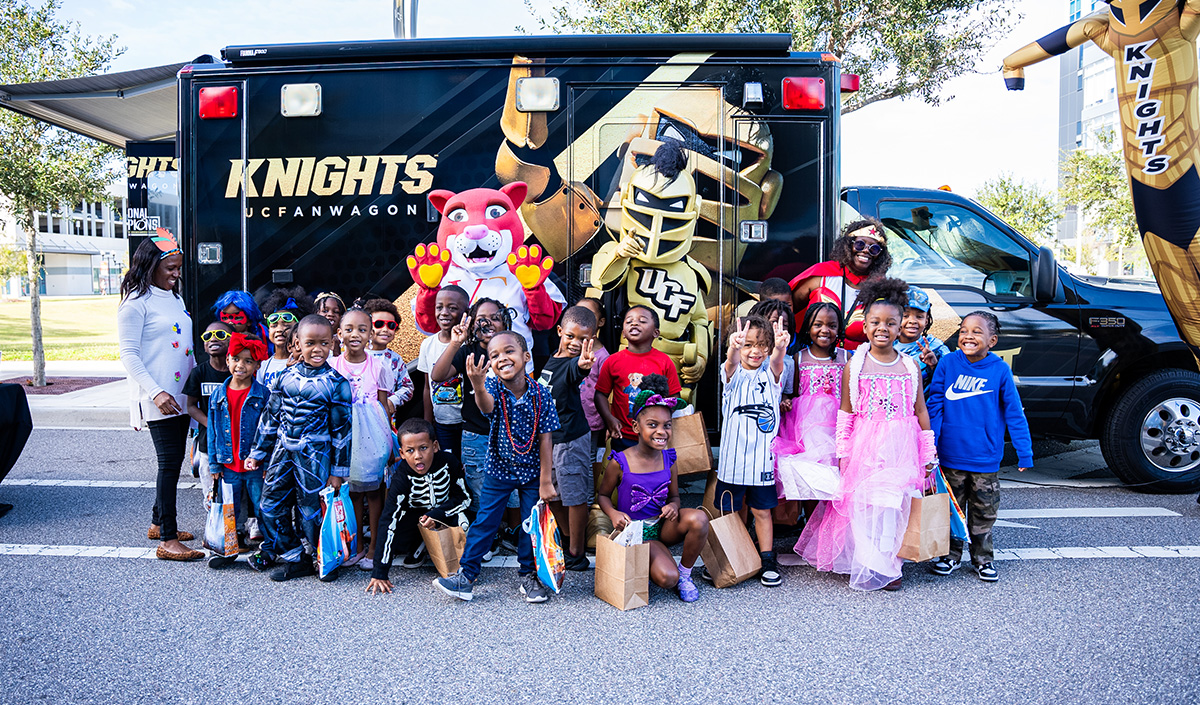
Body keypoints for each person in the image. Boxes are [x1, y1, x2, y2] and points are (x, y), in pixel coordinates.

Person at [794, 277, 937, 592]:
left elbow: (921, 411)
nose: (882, 328)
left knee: (893, 505)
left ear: (901, 327)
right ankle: (872, 560)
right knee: (864, 504)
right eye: (875, 322)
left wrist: (929, 454)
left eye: (891, 322)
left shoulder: (910, 366)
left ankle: (890, 561)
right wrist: (844, 453)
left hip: (902, 445)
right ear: (865, 324)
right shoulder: (855, 365)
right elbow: (846, 412)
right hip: (865, 445)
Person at [433, 331, 560, 603]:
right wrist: (478, 385)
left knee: (529, 525)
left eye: (509, 351)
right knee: (485, 522)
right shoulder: (492, 388)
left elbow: (546, 438)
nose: (502, 358)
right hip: (498, 471)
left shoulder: (542, 395)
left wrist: (546, 480)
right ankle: (465, 577)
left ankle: (529, 576)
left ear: (526, 357)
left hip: (531, 473)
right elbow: (486, 407)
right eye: (494, 355)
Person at [926, 311, 1033, 582]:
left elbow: (1014, 413)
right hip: (950, 455)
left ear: (992, 340)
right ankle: (950, 556)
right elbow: (935, 403)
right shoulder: (948, 363)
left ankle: (983, 559)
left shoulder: (999, 370)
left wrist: (1024, 451)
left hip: (985, 457)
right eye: (963, 330)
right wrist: (932, 443)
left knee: (984, 511)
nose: (968, 336)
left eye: (976, 332)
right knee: (952, 511)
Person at [245, 314, 352, 583]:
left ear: (333, 343)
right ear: (296, 343)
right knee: (269, 505)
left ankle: (324, 559)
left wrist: (338, 471)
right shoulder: (284, 377)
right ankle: (295, 557)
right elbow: (270, 418)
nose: (318, 349)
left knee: (311, 511)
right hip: (283, 449)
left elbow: (343, 431)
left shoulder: (338, 384)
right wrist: (258, 452)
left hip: (315, 454)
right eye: (310, 343)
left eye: (324, 343)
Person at [117, 229, 200, 561]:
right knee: (168, 465)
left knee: (175, 461)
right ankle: (167, 539)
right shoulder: (135, 305)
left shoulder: (174, 297)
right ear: (150, 266)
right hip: (159, 398)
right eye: (171, 269)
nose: (176, 274)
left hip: (180, 395)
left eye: (179, 268)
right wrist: (155, 392)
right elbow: (129, 356)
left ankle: (157, 522)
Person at [597, 376, 711, 602]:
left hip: (663, 526)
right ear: (636, 427)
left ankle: (685, 574)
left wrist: (673, 506)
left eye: (667, 425)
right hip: (636, 532)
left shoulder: (670, 459)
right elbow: (602, 496)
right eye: (653, 425)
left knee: (699, 518)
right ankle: (655, 562)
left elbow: (676, 496)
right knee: (667, 578)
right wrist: (613, 513)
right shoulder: (620, 462)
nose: (662, 431)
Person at [712, 314, 790, 588]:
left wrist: (780, 347)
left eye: (762, 344)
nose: (755, 350)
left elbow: (778, 362)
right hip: (733, 460)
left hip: (761, 461)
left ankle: (766, 559)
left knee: (762, 511)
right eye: (748, 344)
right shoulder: (732, 374)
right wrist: (734, 347)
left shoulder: (771, 375)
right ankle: (730, 557)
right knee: (730, 513)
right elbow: (730, 364)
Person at [365, 419, 471, 595]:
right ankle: (420, 543)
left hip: (445, 513)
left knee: (464, 519)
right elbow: (388, 520)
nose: (417, 456)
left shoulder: (449, 462)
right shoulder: (401, 477)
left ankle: (466, 563)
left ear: (435, 446)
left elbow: (465, 498)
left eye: (423, 448)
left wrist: (437, 515)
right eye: (410, 451)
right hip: (416, 520)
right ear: (402, 453)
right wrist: (379, 572)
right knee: (394, 529)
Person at [431, 298, 511, 523]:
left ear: (505, 321)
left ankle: (514, 533)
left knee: (513, 491)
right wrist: (456, 342)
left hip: (510, 434)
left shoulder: (515, 347)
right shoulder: (468, 351)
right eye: (481, 319)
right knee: (479, 489)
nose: (488, 324)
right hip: (476, 435)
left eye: (495, 318)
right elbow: (438, 375)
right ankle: (487, 536)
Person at [330, 308, 395, 572]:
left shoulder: (379, 365)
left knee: (374, 492)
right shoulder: (333, 365)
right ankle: (355, 545)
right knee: (352, 492)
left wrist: (389, 442)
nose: (355, 334)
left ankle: (374, 547)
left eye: (362, 329)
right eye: (349, 329)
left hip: (372, 435)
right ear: (339, 334)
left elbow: (383, 406)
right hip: (345, 436)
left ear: (370, 334)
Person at [536, 305, 598, 571]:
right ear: (560, 331)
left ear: (592, 339)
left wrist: (583, 365)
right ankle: (567, 539)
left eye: (584, 339)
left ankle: (577, 552)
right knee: (557, 496)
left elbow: (578, 370)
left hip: (571, 440)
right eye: (571, 336)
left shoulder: (576, 363)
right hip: (553, 440)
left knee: (575, 496)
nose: (576, 343)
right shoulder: (552, 359)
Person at [206, 333, 271, 568]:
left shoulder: (263, 394)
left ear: (257, 365)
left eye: (248, 361)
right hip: (228, 463)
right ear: (227, 361)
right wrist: (214, 464)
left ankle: (269, 549)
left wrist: (267, 461)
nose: (240, 365)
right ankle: (228, 549)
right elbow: (213, 431)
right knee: (230, 510)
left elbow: (269, 431)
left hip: (255, 465)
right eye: (236, 359)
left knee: (264, 506)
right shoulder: (218, 394)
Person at [773, 301, 847, 508]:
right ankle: (809, 523)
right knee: (811, 479)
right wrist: (786, 402)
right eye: (818, 324)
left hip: (836, 430)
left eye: (832, 326)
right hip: (806, 431)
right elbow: (793, 392)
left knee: (835, 481)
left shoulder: (847, 358)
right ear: (807, 327)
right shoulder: (798, 358)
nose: (825, 330)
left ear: (839, 329)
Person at [789, 219, 892, 350]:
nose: (866, 251)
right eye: (860, 244)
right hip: (815, 359)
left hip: (859, 363)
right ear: (848, 245)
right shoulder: (822, 275)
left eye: (874, 248)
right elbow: (788, 309)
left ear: (880, 255)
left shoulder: (881, 288)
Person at [594, 305, 682, 452]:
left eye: (642, 321)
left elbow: (675, 396)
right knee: (624, 473)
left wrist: (660, 422)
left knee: (654, 472)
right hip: (623, 435)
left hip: (654, 436)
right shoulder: (612, 361)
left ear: (656, 332)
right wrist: (609, 420)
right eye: (629, 321)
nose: (634, 323)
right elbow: (600, 395)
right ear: (623, 333)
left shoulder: (664, 361)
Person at [183, 321, 232, 513]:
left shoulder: (238, 370)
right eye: (207, 336)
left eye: (220, 335)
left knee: (233, 488)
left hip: (235, 444)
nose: (213, 339)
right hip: (207, 444)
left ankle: (237, 528)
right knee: (211, 491)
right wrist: (211, 425)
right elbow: (190, 406)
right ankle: (215, 527)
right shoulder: (199, 373)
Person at [417, 285, 470, 457]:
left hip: (468, 423)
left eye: (452, 308)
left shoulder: (469, 345)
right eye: (439, 307)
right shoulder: (428, 344)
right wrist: (428, 423)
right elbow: (427, 387)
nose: (444, 312)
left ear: (465, 313)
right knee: (449, 463)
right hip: (442, 423)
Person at [361, 297, 415, 418]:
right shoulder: (355, 356)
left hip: (385, 420)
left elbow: (408, 387)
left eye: (391, 325)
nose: (385, 329)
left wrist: (392, 401)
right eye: (379, 324)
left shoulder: (395, 360)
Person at [575, 296, 611, 460]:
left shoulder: (603, 357)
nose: (582, 318)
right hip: (571, 416)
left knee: (588, 457)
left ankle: (589, 487)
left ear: (601, 322)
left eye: (588, 314)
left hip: (592, 419)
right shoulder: (571, 349)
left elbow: (609, 391)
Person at [256, 287, 314, 387]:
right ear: (269, 330)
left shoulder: (307, 362)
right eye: (274, 325)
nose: (279, 329)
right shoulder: (263, 366)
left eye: (286, 325)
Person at [894, 285, 951, 388]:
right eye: (905, 316)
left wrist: (934, 366)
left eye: (919, 317)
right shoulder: (885, 347)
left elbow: (950, 381)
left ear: (926, 320)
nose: (912, 321)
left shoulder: (937, 349)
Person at [315, 291, 346, 357]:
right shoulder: (311, 337)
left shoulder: (345, 339)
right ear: (316, 313)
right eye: (325, 311)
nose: (330, 314)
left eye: (336, 312)